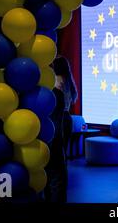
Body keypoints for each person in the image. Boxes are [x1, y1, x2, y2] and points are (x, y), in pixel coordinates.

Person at [44, 55, 78, 202]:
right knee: (60, 154)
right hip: (67, 118)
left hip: (59, 118)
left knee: (56, 155)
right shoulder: (68, 80)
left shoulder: (55, 81)